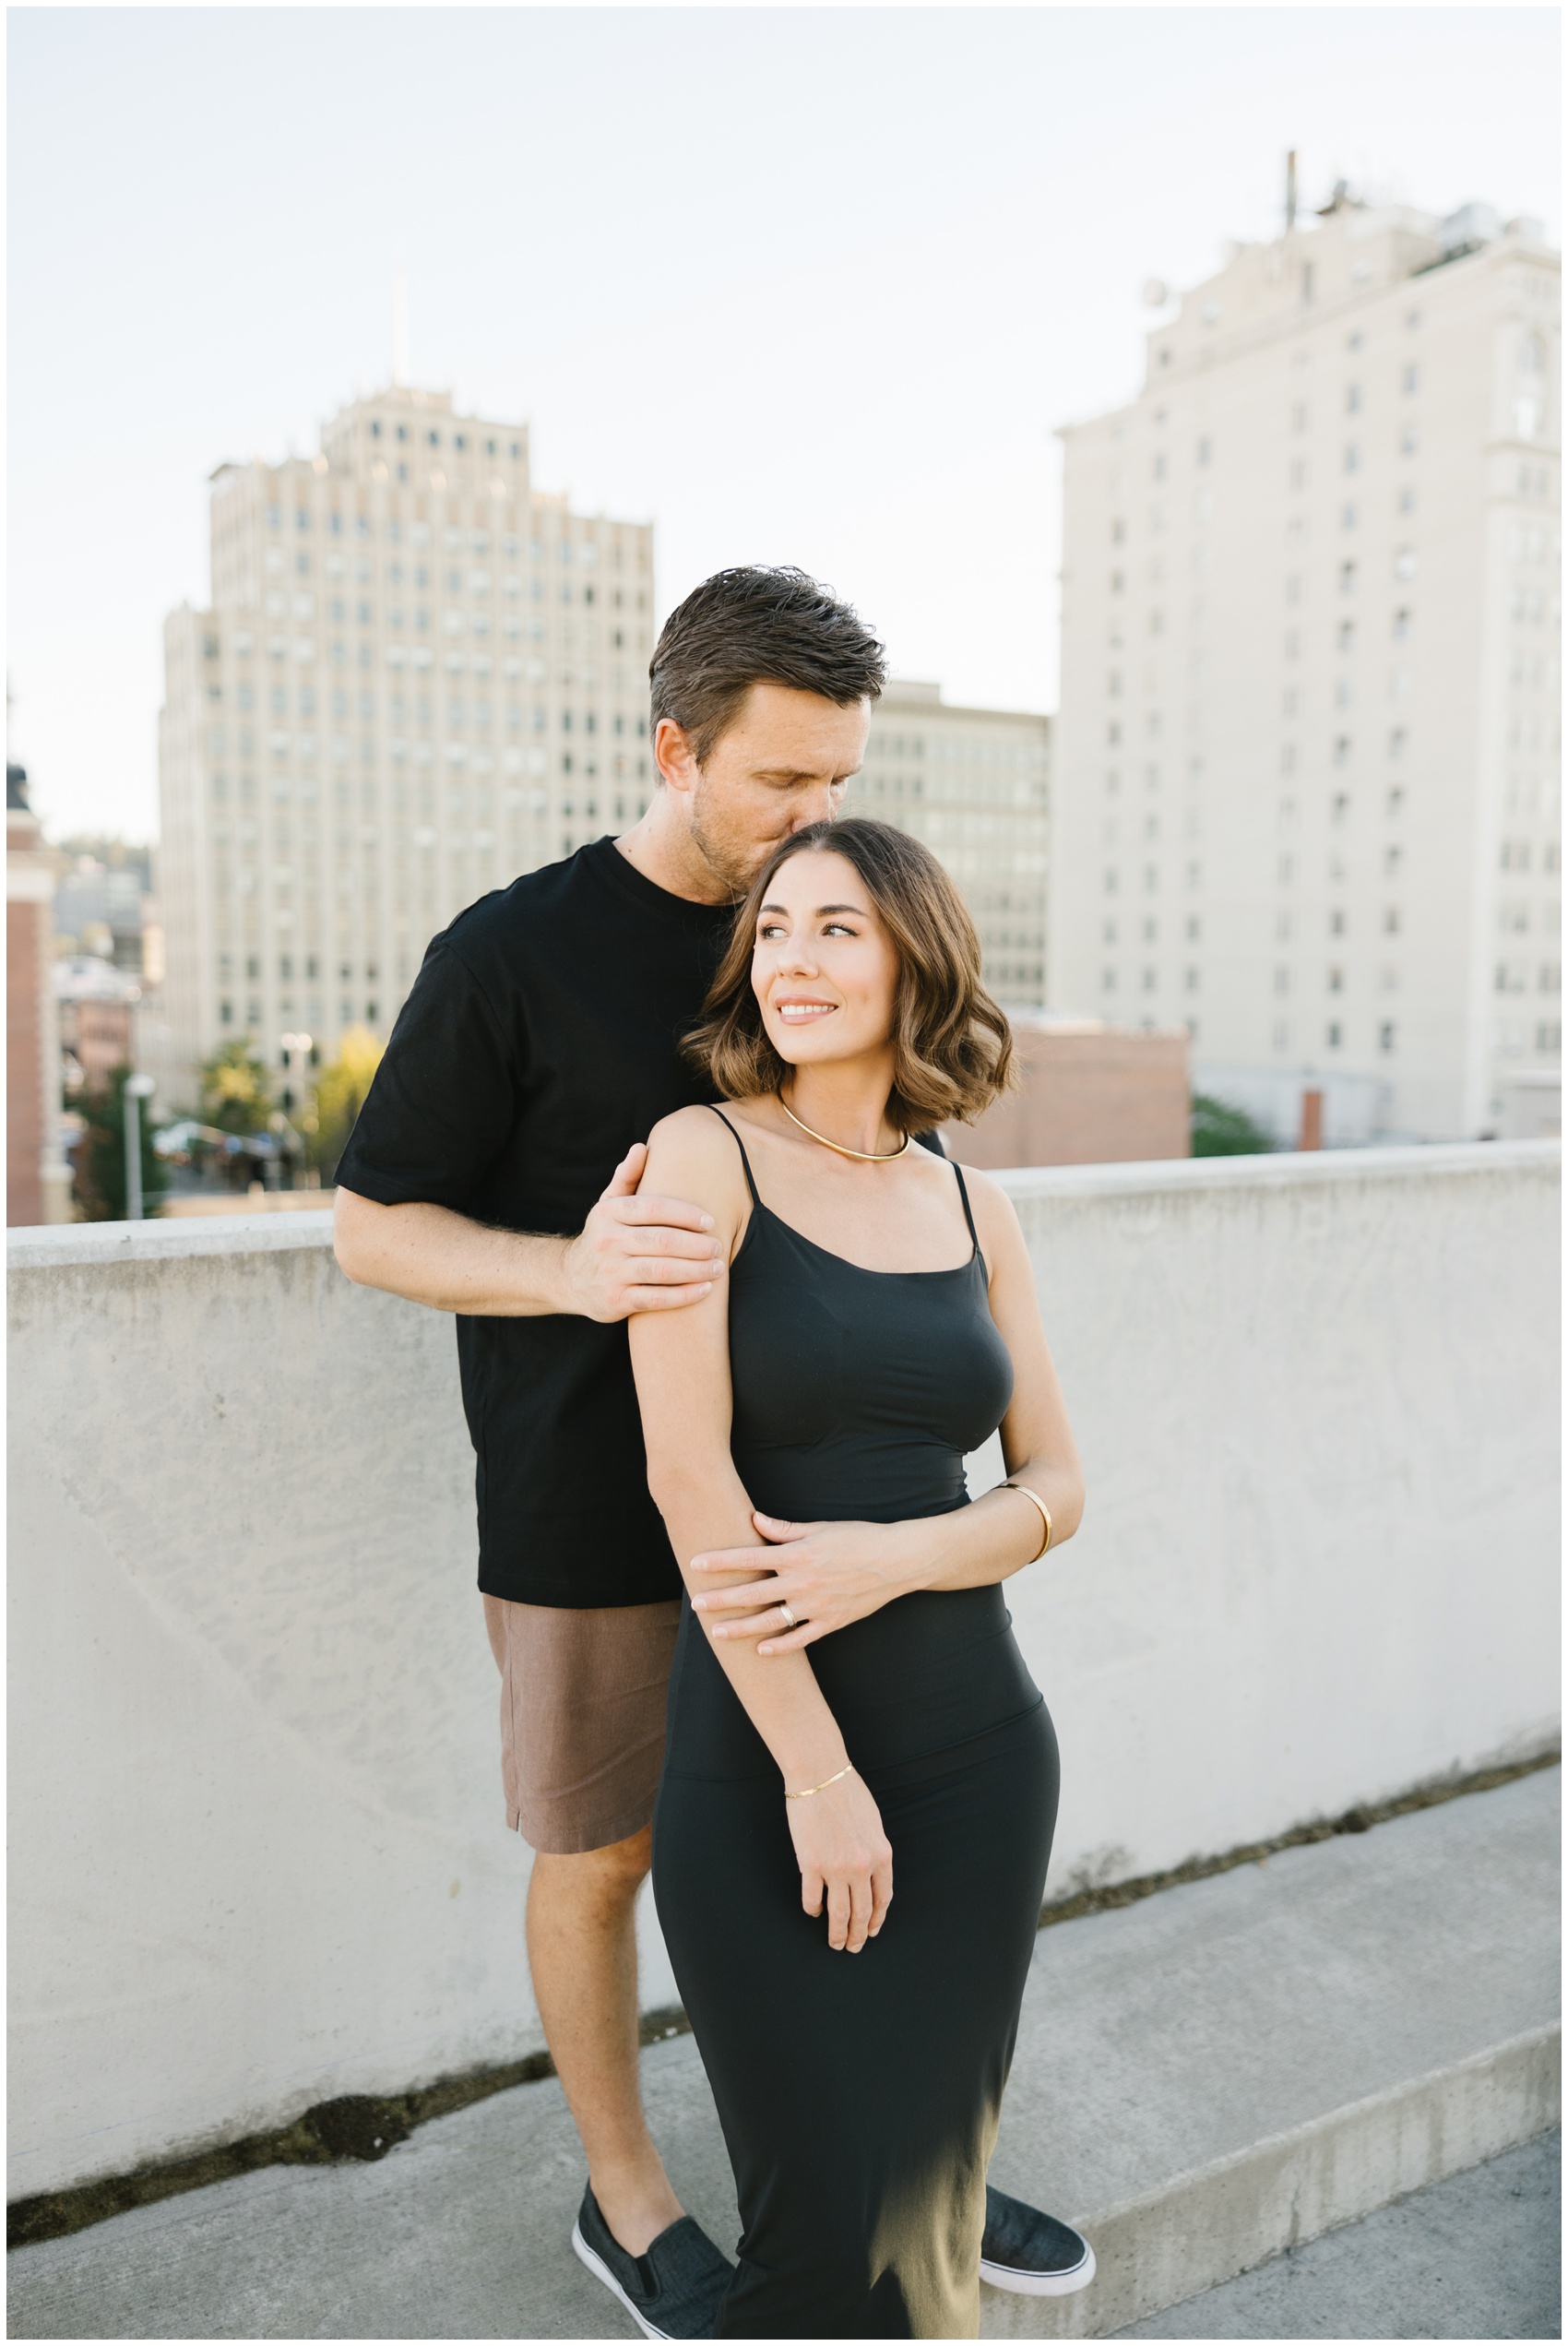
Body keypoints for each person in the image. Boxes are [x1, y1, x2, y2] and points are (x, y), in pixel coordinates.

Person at [333, 567, 1092, 2340]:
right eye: (781, 787)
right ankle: (633, 2199)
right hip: (596, 1503)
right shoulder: (513, 951)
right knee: (605, 1856)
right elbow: (370, 1226)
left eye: (841, 789)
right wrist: (571, 1272)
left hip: (830, 1507)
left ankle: (911, 2164)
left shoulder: (827, 918)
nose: (813, 833)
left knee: (884, 1823)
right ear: (677, 749)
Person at [629, 816, 1087, 2339]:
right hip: (772, 1764)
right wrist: (820, 1778)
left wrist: (896, 1556)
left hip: (977, 1761)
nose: (794, 960)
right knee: (825, 2248)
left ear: (916, 958)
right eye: (773, 928)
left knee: (925, 2236)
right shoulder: (703, 1155)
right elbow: (689, 1482)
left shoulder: (974, 1205)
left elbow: (1057, 1485)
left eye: (838, 928)